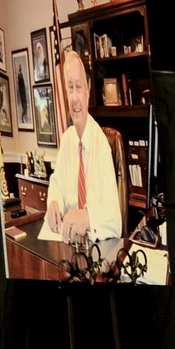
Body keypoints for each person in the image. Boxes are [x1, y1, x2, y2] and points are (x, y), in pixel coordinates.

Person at [39, 49, 123, 248]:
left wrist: (88, 216)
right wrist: (53, 203)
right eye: (70, 88)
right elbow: (56, 184)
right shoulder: (67, 140)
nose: (75, 98)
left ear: (88, 90)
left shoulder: (101, 143)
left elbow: (115, 221)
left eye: (79, 87)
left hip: (96, 252)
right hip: (69, 250)